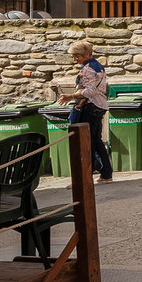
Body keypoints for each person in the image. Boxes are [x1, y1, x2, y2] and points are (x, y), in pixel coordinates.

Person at [48, 39, 112, 180]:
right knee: (96, 141)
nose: (74, 59)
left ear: (87, 54)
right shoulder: (98, 66)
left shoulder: (88, 68)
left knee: (86, 142)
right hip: (99, 105)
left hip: (89, 107)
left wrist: (71, 96)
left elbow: (89, 91)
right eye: (73, 56)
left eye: (77, 56)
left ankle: (84, 179)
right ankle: (106, 173)